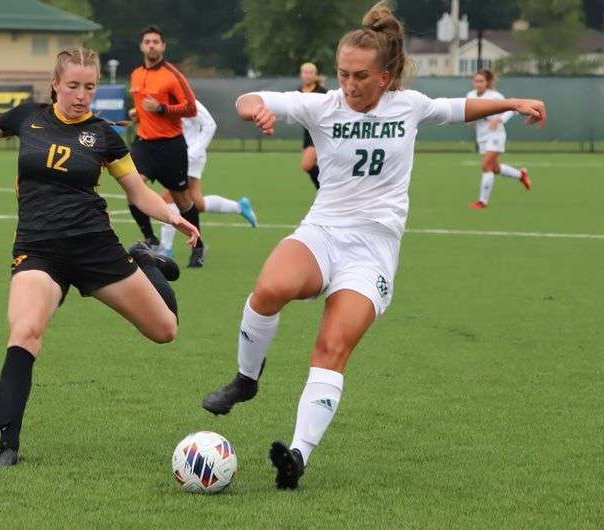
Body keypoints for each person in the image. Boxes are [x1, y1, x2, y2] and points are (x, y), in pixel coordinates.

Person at [201, 1, 546, 490]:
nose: (348, 84)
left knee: (331, 348)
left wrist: (512, 103)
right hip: (323, 230)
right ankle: (246, 378)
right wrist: (253, 107)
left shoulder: (409, 106)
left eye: (359, 75)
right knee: (269, 288)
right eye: (342, 73)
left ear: (385, 77)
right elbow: (251, 98)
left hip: (373, 249)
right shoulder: (322, 105)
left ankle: (297, 456)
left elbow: (459, 109)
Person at [0, 47, 200, 467]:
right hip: (38, 248)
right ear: (55, 84)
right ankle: (7, 444)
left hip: (95, 247)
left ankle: (144, 261)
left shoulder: (104, 135)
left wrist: (173, 217)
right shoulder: (28, 117)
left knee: (165, 330)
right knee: (25, 330)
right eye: (73, 86)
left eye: (89, 87)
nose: (81, 95)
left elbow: (137, 192)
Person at [127, 25, 205, 266]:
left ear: (162, 46)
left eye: (156, 42)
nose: (151, 45)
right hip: (143, 144)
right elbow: (143, 106)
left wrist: (162, 109)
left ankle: (198, 246)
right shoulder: (136, 74)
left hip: (171, 146)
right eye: (147, 41)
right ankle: (149, 238)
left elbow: (190, 108)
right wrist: (138, 114)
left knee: (183, 200)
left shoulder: (172, 75)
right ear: (142, 46)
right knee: (133, 186)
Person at [155, 99, 258, 260]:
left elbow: (210, 125)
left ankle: (165, 248)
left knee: (170, 197)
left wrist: (192, 153)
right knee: (196, 203)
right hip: (177, 155)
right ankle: (239, 207)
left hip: (190, 156)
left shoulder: (188, 101)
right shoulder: (162, 99)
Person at [467, 69, 531, 209]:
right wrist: (469, 119)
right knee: (494, 168)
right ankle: (521, 175)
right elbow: (468, 112)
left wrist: (499, 120)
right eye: (476, 81)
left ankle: (482, 201)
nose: (478, 84)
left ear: (487, 82)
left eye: (481, 81)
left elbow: (511, 109)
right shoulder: (470, 95)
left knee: (486, 166)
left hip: (496, 135)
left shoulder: (495, 96)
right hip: (482, 136)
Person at [298, 63, 328, 188]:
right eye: (305, 72)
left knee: (306, 164)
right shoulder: (298, 92)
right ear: (301, 74)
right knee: (312, 166)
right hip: (307, 134)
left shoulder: (323, 93)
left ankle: (325, 189)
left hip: (321, 132)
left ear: (315, 75)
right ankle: (325, 190)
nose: (308, 75)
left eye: (311, 72)